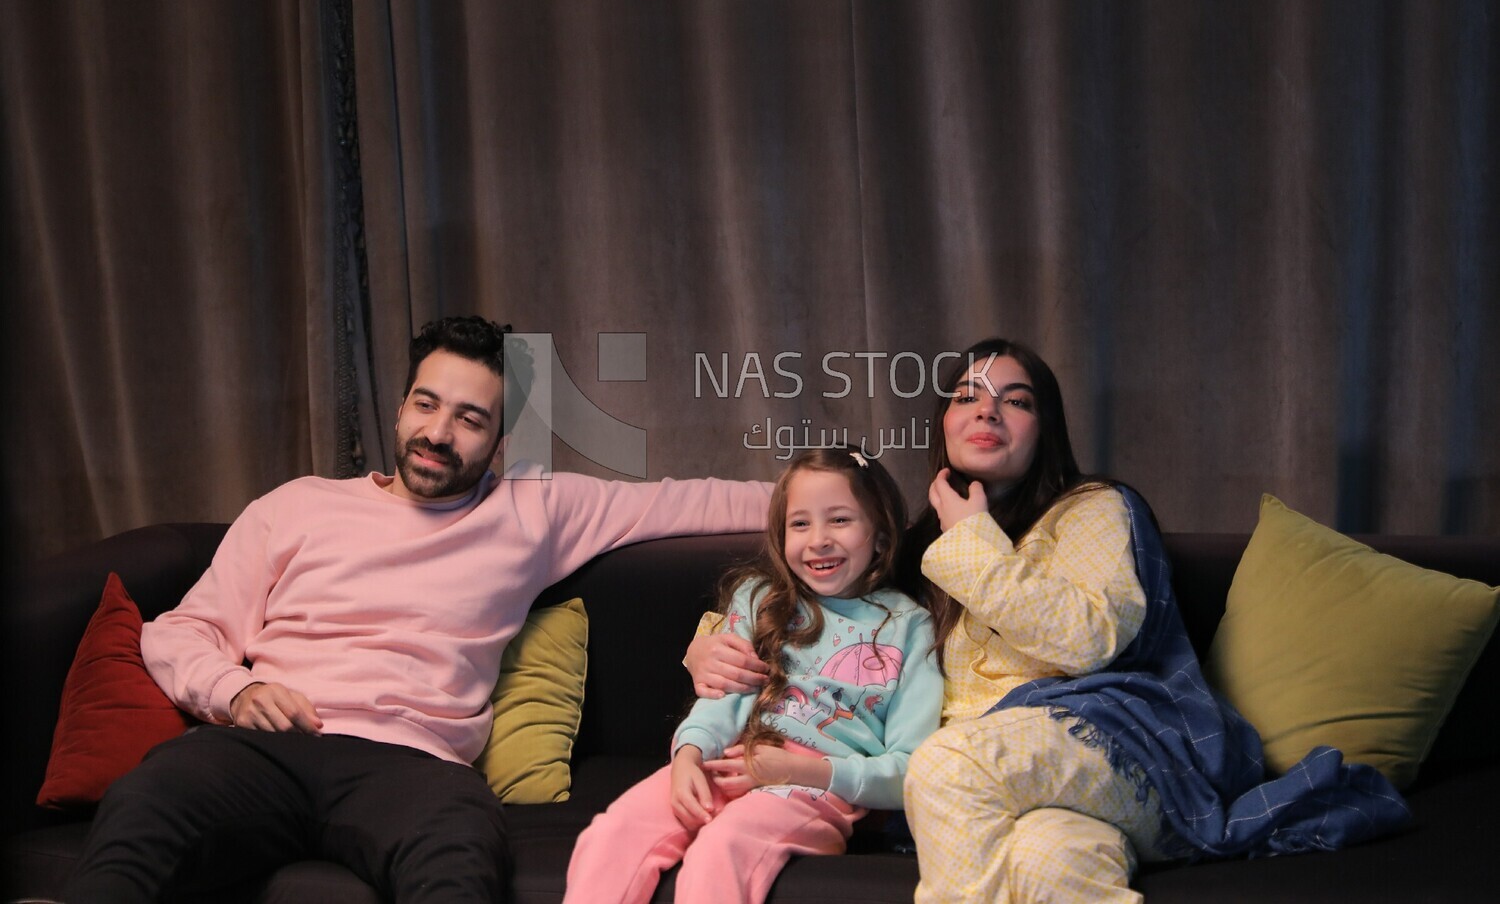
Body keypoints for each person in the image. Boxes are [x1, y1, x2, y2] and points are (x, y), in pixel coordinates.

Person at [64, 316, 773, 904]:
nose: (439, 433)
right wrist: (236, 689)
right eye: (427, 405)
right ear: (401, 409)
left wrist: (839, 509)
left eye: (470, 419)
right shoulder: (296, 505)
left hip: (413, 766)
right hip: (269, 749)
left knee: (462, 850)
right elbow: (180, 632)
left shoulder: (536, 509)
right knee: (148, 802)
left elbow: (696, 498)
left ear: (497, 442)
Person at [688, 338, 1409, 903]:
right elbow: (810, 611)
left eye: (1017, 399)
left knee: (944, 765)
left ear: (1046, 427)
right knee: (1052, 861)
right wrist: (708, 646)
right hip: (1011, 790)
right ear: (942, 423)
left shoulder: (1093, 509)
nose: (988, 411)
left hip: (1112, 749)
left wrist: (973, 538)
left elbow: (1090, 641)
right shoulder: (915, 550)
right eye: (968, 395)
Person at [565, 448, 943, 904]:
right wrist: (687, 755)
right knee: (613, 833)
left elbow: (910, 768)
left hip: (814, 786)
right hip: (726, 760)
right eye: (800, 524)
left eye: (839, 520)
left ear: (881, 536)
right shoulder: (760, 600)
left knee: (724, 847)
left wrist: (792, 769)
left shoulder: (908, 626)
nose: (818, 539)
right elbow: (723, 696)